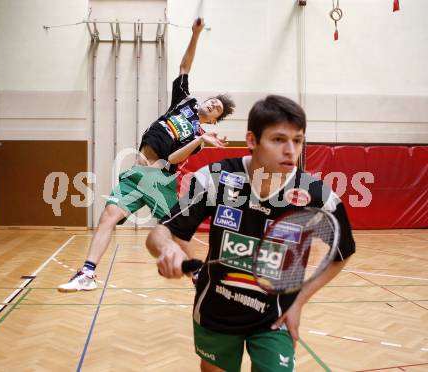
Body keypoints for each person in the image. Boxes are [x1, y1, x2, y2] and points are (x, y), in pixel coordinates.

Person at [146, 95, 356, 372]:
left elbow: (343, 252)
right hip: (216, 310)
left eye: (297, 140)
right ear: (252, 140)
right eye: (279, 139)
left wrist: (299, 302)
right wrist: (168, 249)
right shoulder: (216, 177)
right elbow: (160, 232)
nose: (290, 150)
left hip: (275, 317)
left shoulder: (317, 194)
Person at [58, 18, 235, 292]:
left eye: (217, 109)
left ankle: (202, 275)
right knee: (108, 216)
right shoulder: (184, 102)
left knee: (176, 234)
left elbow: (175, 159)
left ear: (213, 121)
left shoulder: (200, 135)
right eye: (213, 100)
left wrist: (201, 138)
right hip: (135, 174)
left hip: (159, 179)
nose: (213, 104)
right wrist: (195, 35)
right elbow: (184, 66)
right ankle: (87, 274)